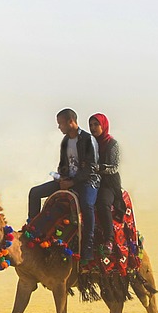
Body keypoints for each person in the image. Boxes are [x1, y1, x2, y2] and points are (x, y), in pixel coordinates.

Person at [27, 108, 100, 264]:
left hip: (88, 181)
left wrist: (72, 182)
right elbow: (63, 164)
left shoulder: (88, 140)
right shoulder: (66, 141)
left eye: (60, 123)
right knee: (35, 193)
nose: (59, 127)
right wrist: (61, 176)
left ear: (70, 122)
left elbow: (91, 168)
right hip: (68, 180)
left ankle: (88, 246)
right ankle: (32, 230)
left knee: (87, 205)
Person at [89, 113, 121, 233]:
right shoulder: (89, 144)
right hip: (90, 180)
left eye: (96, 124)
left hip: (108, 183)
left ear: (104, 125)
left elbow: (114, 167)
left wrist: (99, 168)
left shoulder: (112, 144)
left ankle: (109, 238)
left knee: (102, 203)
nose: (93, 128)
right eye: (91, 125)